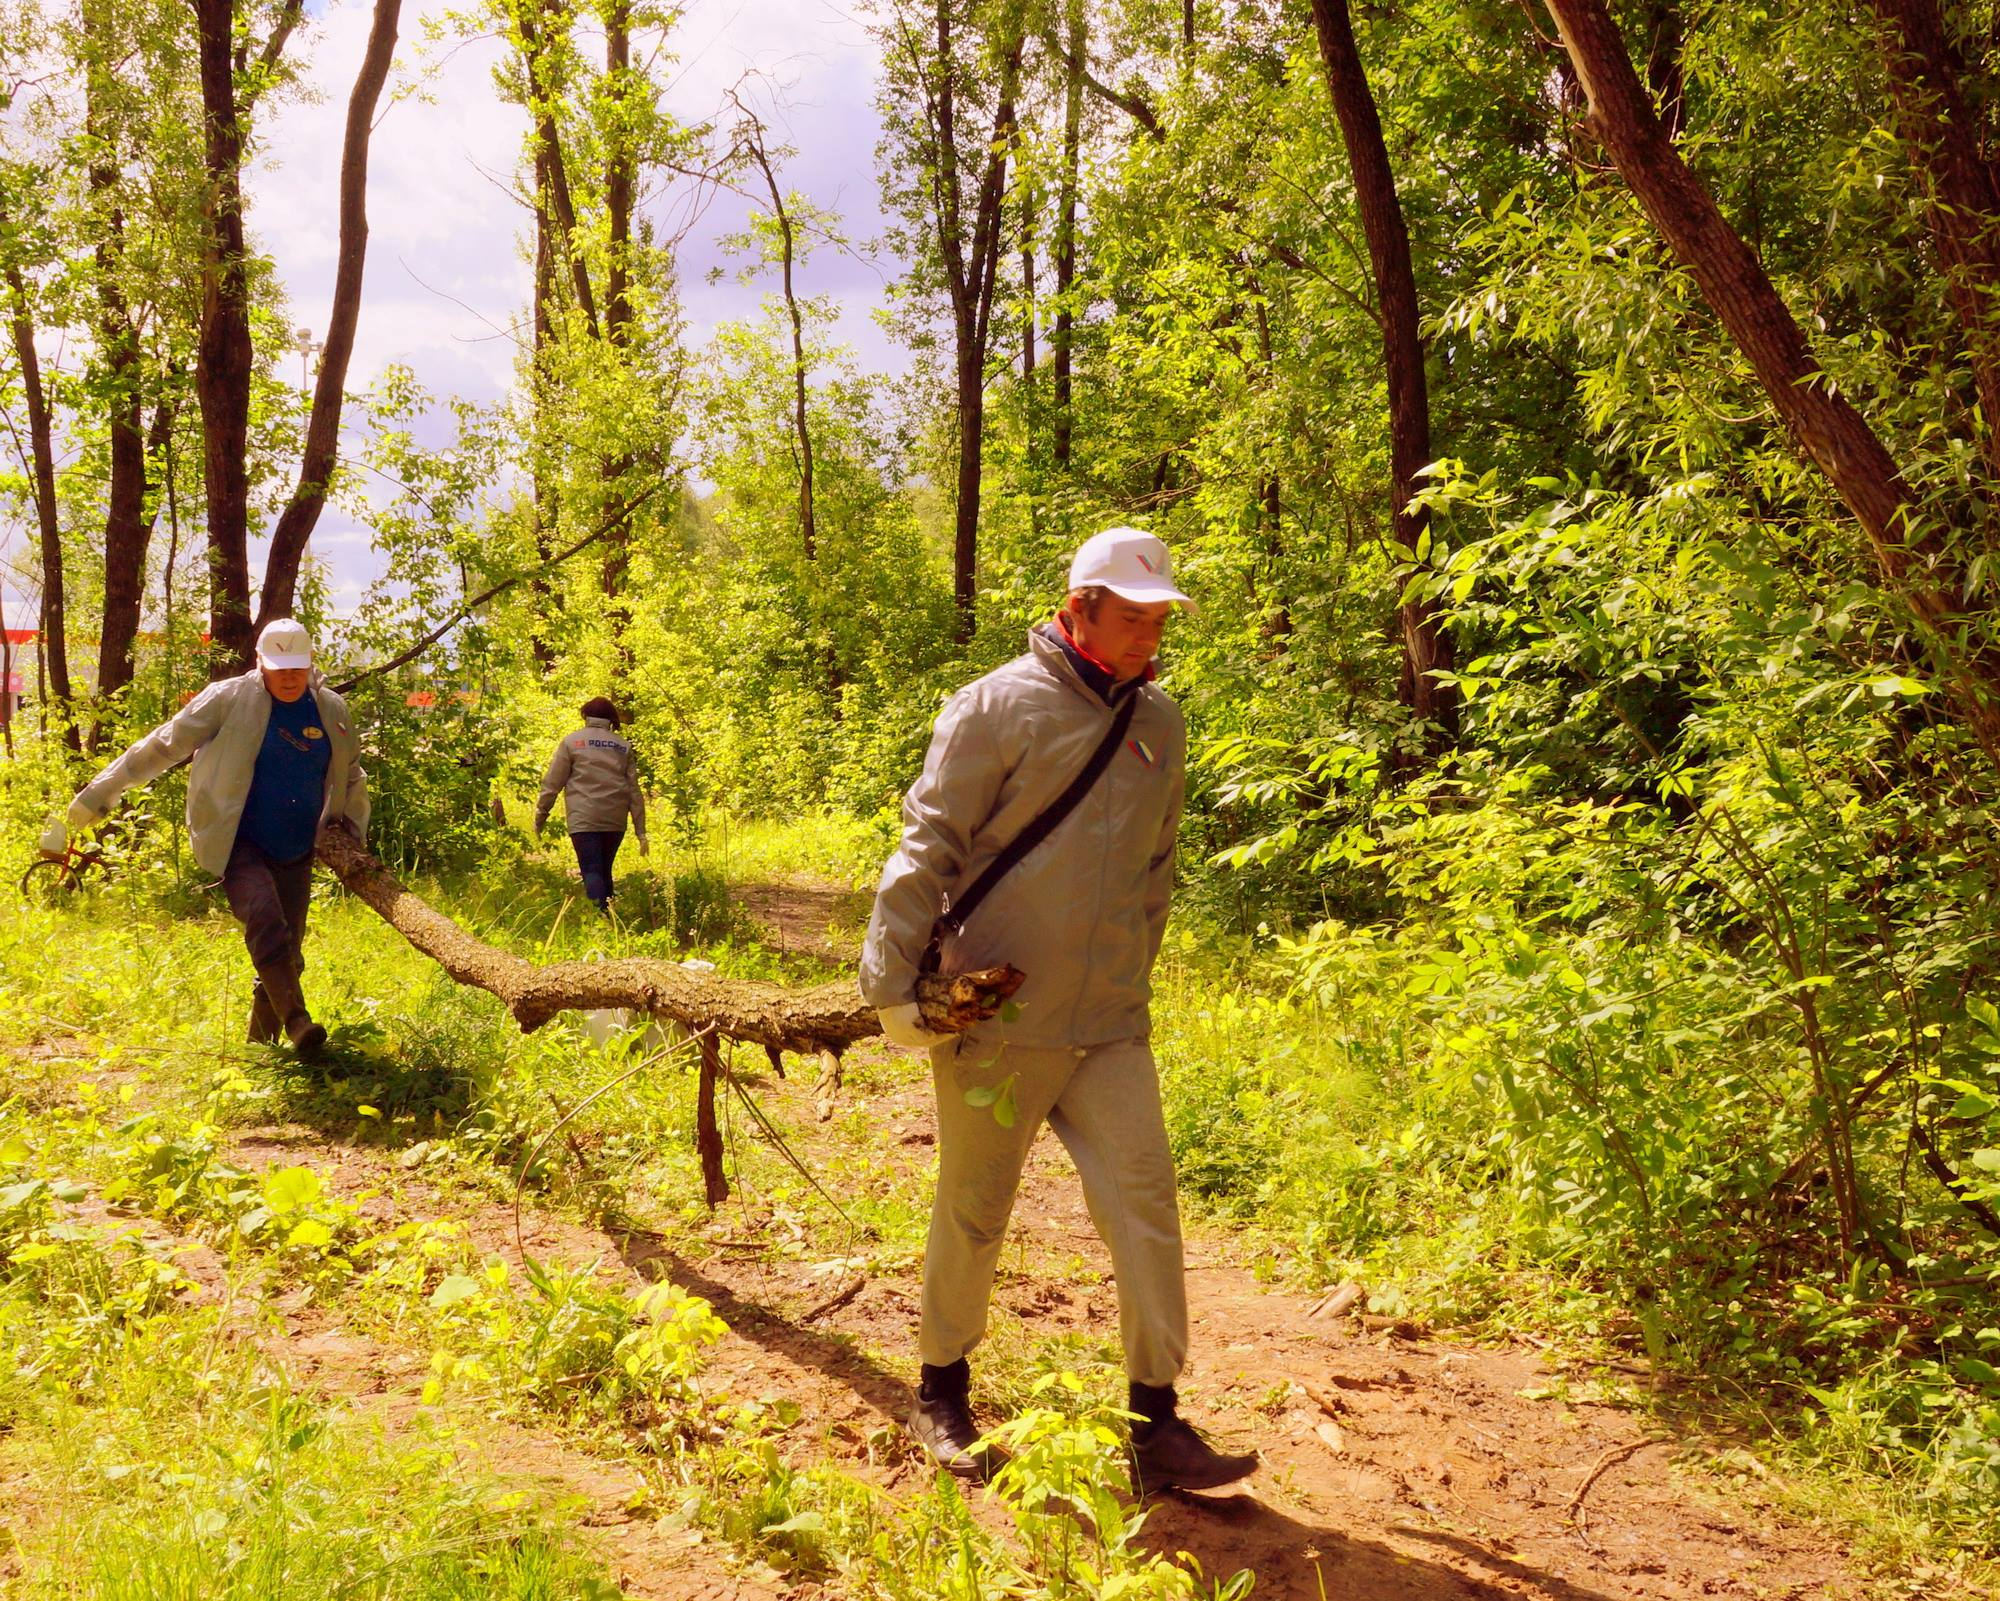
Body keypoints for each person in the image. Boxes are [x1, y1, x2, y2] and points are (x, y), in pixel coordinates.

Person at [860, 526, 1259, 1494]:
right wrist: (890, 985)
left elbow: (1155, 873)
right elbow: (928, 845)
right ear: (1076, 605)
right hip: (998, 1014)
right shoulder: (993, 707)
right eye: (1131, 617)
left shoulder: (1158, 724)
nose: (1147, 636)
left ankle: (1154, 1421)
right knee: (974, 1208)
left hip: (1109, 1021)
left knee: (1146, 1205)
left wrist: (1133, 976)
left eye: (1159, 618)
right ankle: (941, 1391)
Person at [39, 619, 369, 1056]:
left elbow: (350, 776)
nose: (288, 677)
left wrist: (354, 836)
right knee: (265, 919)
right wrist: (98, 795)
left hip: (297, 845)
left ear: (310, 664)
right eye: (278, 667)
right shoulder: (228, 699)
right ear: (261, 664)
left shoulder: (331, 711)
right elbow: (163, 745)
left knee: (287, 952)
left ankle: (258, 1052)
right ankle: (298, 1022)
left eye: (297, 667)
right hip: (235, 838)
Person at [534, 696, 648, 914]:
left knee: (591, 869)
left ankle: (600, 917)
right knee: (605, 868)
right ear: (611, 719)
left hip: (583, 818)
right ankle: (609, 914)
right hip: (615, 820)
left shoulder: (571, 743)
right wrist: (640, 831)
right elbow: (634, 791)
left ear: (585, 716)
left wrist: (541, 814)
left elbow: (552, 783)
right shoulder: (623, 747)